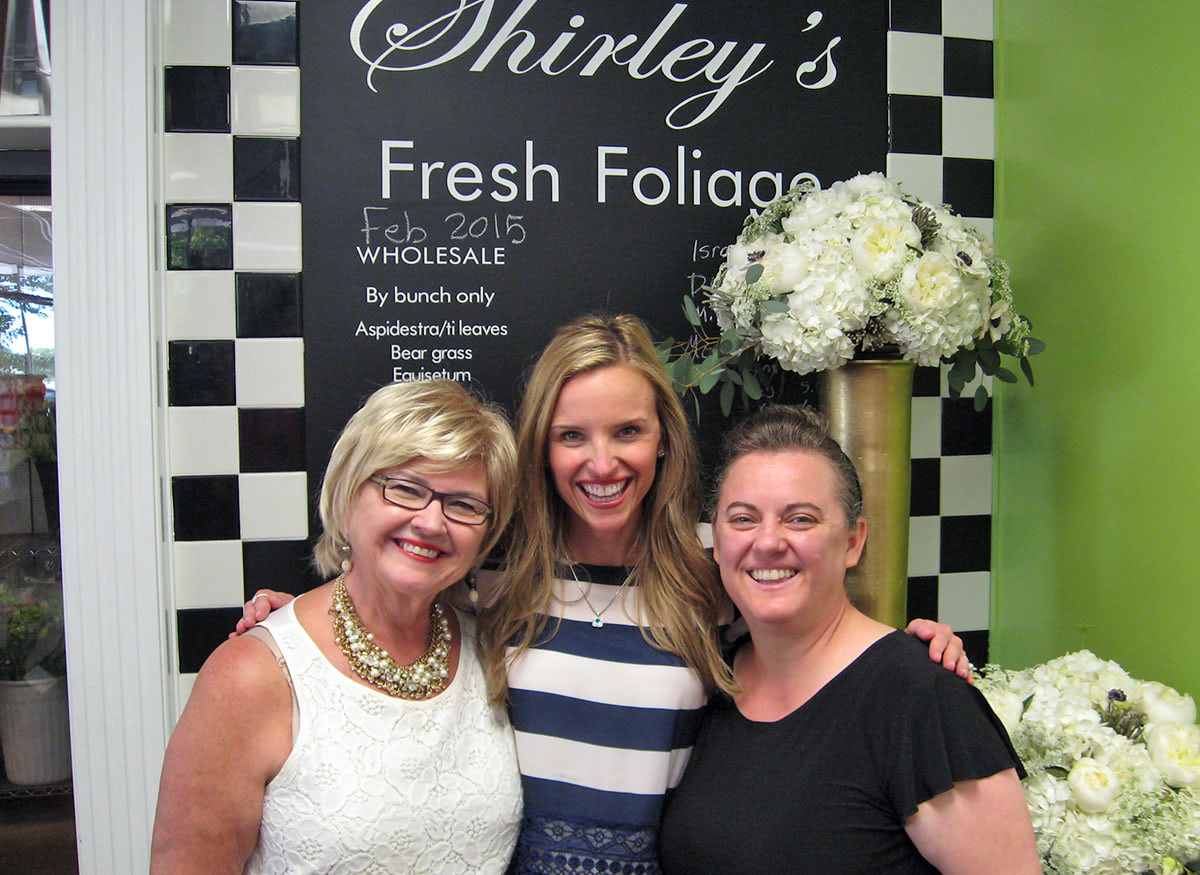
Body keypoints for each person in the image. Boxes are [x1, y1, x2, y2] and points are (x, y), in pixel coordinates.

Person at [237, 314, 971, 874]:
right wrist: (289, 620)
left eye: (627, 431)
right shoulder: (488, 575)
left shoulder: (713, 579)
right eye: (572, 436)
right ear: (541, 447)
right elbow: (382, 603)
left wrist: (917, 650)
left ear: (663, 441)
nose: (602, 461)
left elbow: (814, 634)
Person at [150, 380, 524, 874]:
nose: (432, 523)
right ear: (348, 496)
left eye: (464, 505)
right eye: (405, 488)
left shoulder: (494, 649)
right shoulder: (252, 678)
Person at [658, 404, 1040, 874]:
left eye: (800, 519)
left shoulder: (921, 699)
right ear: (717, 541)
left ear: (854, 541)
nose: (768, 540)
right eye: (743, 519)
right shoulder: (709, 677)